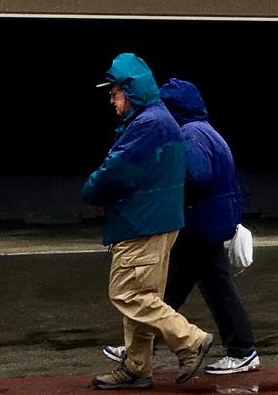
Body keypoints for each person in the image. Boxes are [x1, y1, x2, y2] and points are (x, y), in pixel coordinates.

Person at [103, 80, 259, 376]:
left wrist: (165, 187)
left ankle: (240, 349)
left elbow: (196, 176)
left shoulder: (190, 135)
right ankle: (142, 347)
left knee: (176, 291)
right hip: (207, 225)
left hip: (198, 227)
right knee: (175, 290)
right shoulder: (205, 130)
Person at [84, 54, 214, 390]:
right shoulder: (158, 120)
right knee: (144, 295)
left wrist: (92, 190)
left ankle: (191, 340)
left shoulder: (147, 125)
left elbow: (115, 171)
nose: (111, 100)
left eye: (114, 93)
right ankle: (137, 367)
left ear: (130, 91)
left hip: (140, 223)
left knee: (127, 293)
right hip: (156, 221)